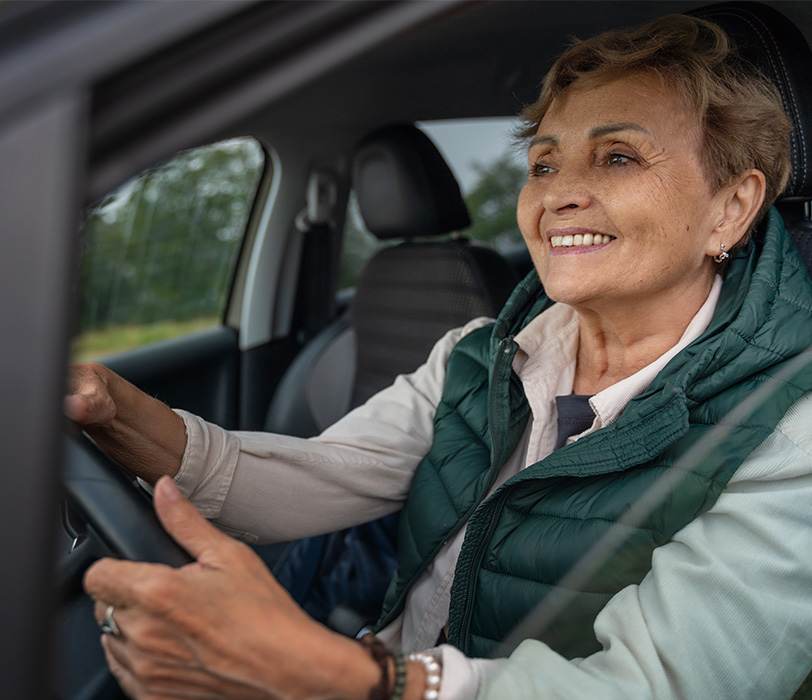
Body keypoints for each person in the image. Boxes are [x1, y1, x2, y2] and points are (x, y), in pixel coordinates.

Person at [68, 13, 812, 700]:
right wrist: (111, 410)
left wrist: (350, 676)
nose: (559, 196)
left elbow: (651, 687)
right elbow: (315, 478)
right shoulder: (480, 353)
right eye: (545, 165)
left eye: (617, 156)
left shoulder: (792, 431)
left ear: (732, 207)